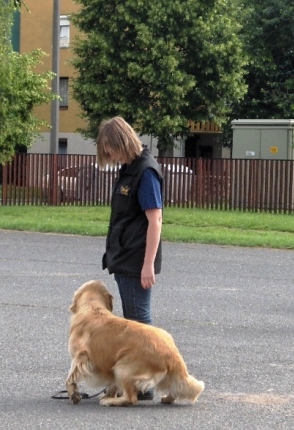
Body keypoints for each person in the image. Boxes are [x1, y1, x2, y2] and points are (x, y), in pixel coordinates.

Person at [97, 116, 163, 401]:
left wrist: (148, 264)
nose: (110, 157)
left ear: (121, 142)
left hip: (137, 259)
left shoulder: (145, 172)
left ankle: (145, 384)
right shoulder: (128, 169)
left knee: (139, 323)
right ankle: (140, 380)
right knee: (133, 321)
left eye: (111, 151)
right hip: (124, 256)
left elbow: (155, 220)